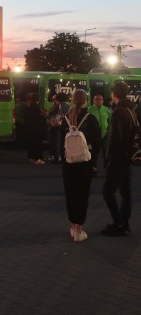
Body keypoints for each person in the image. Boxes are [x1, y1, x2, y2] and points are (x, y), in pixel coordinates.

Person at [61, 89, 100, 242]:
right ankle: (78, 230)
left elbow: (60, 143)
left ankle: (72, 226)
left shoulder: (66, 118)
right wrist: (93, 161)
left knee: (70, 194)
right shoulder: (90, 118)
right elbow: (96, 143)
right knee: (82, 195)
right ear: (86, 100)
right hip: (84, 163)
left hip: (68, 163)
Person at [101, 81, 135, 236]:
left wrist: (111, 157)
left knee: (108, 191)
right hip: (128, 157)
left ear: (114, 94)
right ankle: (125, 221)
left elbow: (116, 138)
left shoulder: (117, 112)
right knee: (125, 191)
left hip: (118, 158)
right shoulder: (131, 111)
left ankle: (119, 223)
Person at [88, 94, 111, 176]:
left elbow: (110, 121)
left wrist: (109, 131)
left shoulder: (106, 109)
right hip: (94, 136)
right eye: (96, 99)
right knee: (93, 154)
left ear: (103, 101)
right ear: (93, 100)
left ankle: (108, 171)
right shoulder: (90, 109)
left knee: (107, 154)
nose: (98, 100)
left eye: (100, 99)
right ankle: (94, 169)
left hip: (105, 135)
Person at [22, 93, 46, 164]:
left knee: (30, 143)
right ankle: (37, 158)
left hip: (29, 128)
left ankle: (31, 158)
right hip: (36, 128)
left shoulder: (26, 106)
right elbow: (39, 117)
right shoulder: (36, 106)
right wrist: (43, 115)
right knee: (37, 144)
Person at [48, 93, 70, 163]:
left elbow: (51, 114)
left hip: (57, 125)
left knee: (57, 141)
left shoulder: (58, 106)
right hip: (65, 125)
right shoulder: (67, 105)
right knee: (63, 141)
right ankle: (63, 156)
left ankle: (57, 157)